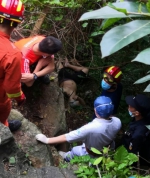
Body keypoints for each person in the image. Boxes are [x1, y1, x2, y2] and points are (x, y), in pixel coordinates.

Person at [36, 96, 121, 161]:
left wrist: (47, 140)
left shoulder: (90, 128)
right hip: (107, 149)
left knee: (74, 151)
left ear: (95, 111)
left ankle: (66, 157)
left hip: (91, 154)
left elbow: (67, 137)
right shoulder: (118, 122)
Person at [0, 0, 26, 132]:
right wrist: (20, 97)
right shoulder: (12, 53)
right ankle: (4, 127)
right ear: (17, 23)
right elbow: (11, 88)